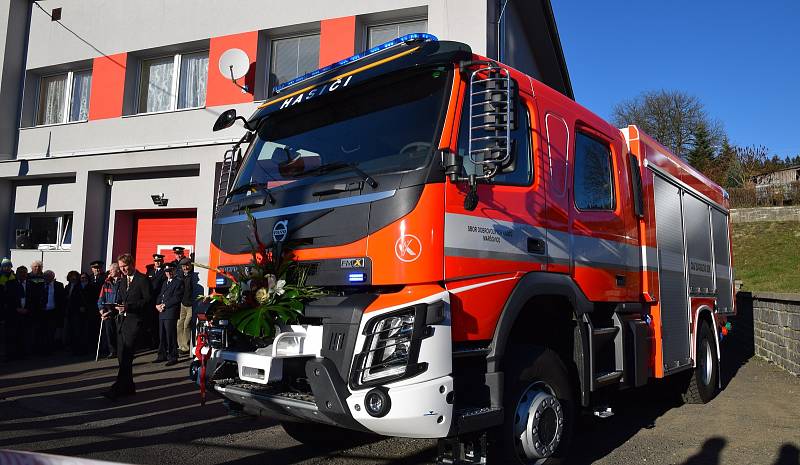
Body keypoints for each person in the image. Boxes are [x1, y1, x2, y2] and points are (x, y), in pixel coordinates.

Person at [102, 253, 150, 400]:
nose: (123, 269)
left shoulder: (142, 280)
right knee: (122, 357)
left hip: (134, 323)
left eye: (125, 266)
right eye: (121, 267)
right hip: (121, 323)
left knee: (126, 357)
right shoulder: (122, 282)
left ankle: (116, 388)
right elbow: (120, 301)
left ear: (132, 264)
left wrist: (129, 307)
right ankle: (129, 387)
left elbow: (147, 301)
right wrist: (110, 312)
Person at [9, 266, 44, 359]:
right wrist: (16, 308)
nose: (22, 274)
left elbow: (35, 299)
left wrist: (28, 309)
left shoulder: (31, 284)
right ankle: (13, 354)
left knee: (26, 334)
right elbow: (7, 299)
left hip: (28, 313)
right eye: (20, 272)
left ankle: (25, 353)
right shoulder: (10, 284)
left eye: (24, 272)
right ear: (16, 273)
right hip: (14, 314)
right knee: (14, 334)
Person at [154, 263, 183, 366]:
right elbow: (160, 295)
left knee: (170, 335)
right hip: (162, 311)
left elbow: (177, 297)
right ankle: (162, 355)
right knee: (161, 335)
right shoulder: (165, 283)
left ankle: (173, 356)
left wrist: (164, 305)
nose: (169, 273)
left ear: (174, 271)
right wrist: (157, 305)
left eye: (170, 271)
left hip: (170, 312)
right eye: (167, 271)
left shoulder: (178, 282)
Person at [97, 263, 121, 358]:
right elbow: (100, 298)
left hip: (118, 311)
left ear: (118, 270)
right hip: (107, 311)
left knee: (119, 333)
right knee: (109, 332)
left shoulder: (123, 282)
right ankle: (112, 351)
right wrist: (101, 309)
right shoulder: (106, 283)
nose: (110, 271)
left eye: (112, 270)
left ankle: (120, 351)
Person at [65, 271, 91, 355]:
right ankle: (73, 348)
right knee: (73, 331)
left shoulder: (82, 287)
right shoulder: (71, 287)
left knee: (80, 331)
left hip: (81, 312)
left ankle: (81, 349)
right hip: (72, 312)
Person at [145, 253, 167, 349]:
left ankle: (161, 343)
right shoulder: (150, 271)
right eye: (155, 261)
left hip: (160, 299)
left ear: (162, 261)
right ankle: (153, 342)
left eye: (159, 261)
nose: (157, 262)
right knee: (151, 322)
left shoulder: (164, 272)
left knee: (160, 323)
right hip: (151, 300)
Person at [41, 270, 66, 354]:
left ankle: (50, 349)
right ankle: (42, 348)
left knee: (51, 331)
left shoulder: (58, 285)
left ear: (53, 277)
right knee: (42, 330)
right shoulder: (39, 285)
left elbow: (62, 299)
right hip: (42, 312)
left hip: (53, 311)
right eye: (46, 276)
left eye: (49, 276)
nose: (47, 278)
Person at [177, 258, 195, 355]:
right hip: (182, 303)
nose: (185, 268)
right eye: (183, 266)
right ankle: (180, 346)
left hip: (191, 305)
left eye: (187, 265)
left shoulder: (193, 276)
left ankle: (185, 347)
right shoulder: (180, 276)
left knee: (186, 324)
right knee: (179, 324)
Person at [1, 259, 17, 360]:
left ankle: (10, 352)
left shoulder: (14, 277)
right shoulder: (0, 276)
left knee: (11, 332)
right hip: (2, 306)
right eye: (4, 266)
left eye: (8, 266)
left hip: (11, 308)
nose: (6, 268)